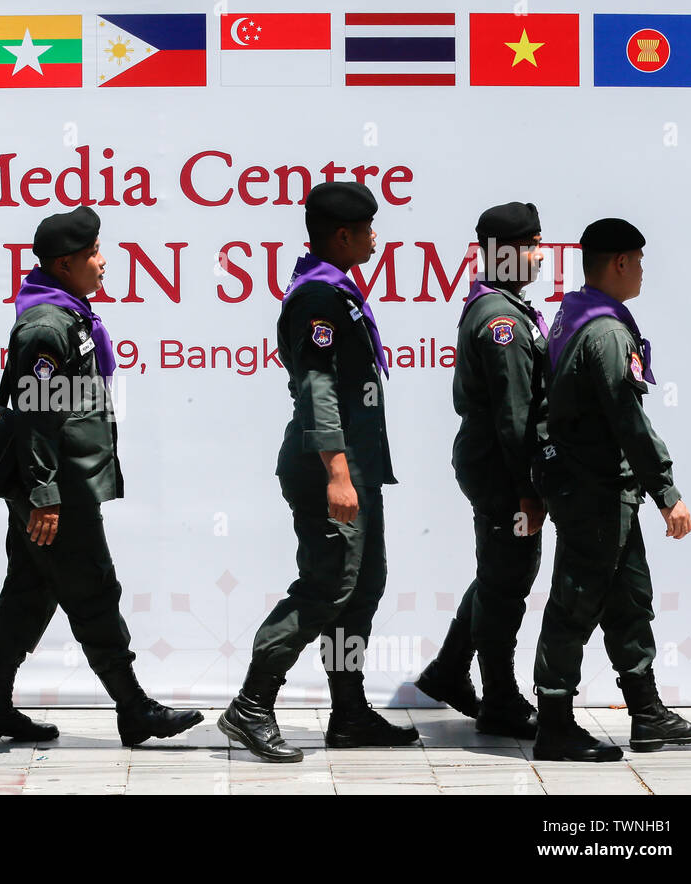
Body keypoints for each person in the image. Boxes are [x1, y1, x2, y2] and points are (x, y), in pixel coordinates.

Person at [0, 206, 203, 746]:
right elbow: (34, 418)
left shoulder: (67, 314)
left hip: (55, 486)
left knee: (26, 594)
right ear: (65, 263)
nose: (103, 263)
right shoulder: (47, 327)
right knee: (94, 591)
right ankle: (135, 709)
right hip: (56, 493)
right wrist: (46, 495)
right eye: (94, 254)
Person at [219, 182, 415, 762]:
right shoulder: (316, 299)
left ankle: (348, 710)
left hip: (358, 466)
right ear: (342, 235)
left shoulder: (339, 289)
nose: (376, 235)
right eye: (368, 226)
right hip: (327, 466)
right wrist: (337, 471)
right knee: (328, 585)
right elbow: (317, 387)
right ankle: (252, 704)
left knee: (360, 590)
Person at [531, 218, 691, 761]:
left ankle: (647, 715)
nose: (642, 270)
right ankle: (556, 724)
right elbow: (626, 420)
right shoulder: (607, 332)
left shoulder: (573, 313)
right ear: (619, 263)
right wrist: (667, 490)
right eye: (638, 259)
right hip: (594, 491)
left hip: (605, 491)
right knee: (575, 603)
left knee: (629, 600)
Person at [415, 202, 549, 738]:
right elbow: (515, 417)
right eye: (535, 244)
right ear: (509, 252)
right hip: (501, 471)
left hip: (490, 464)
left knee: (498, 573)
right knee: (507, 584)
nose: (542, 256)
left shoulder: (502, 307)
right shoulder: (501, 321)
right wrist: (528, 490)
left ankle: (448, 671)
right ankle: (499, 700)